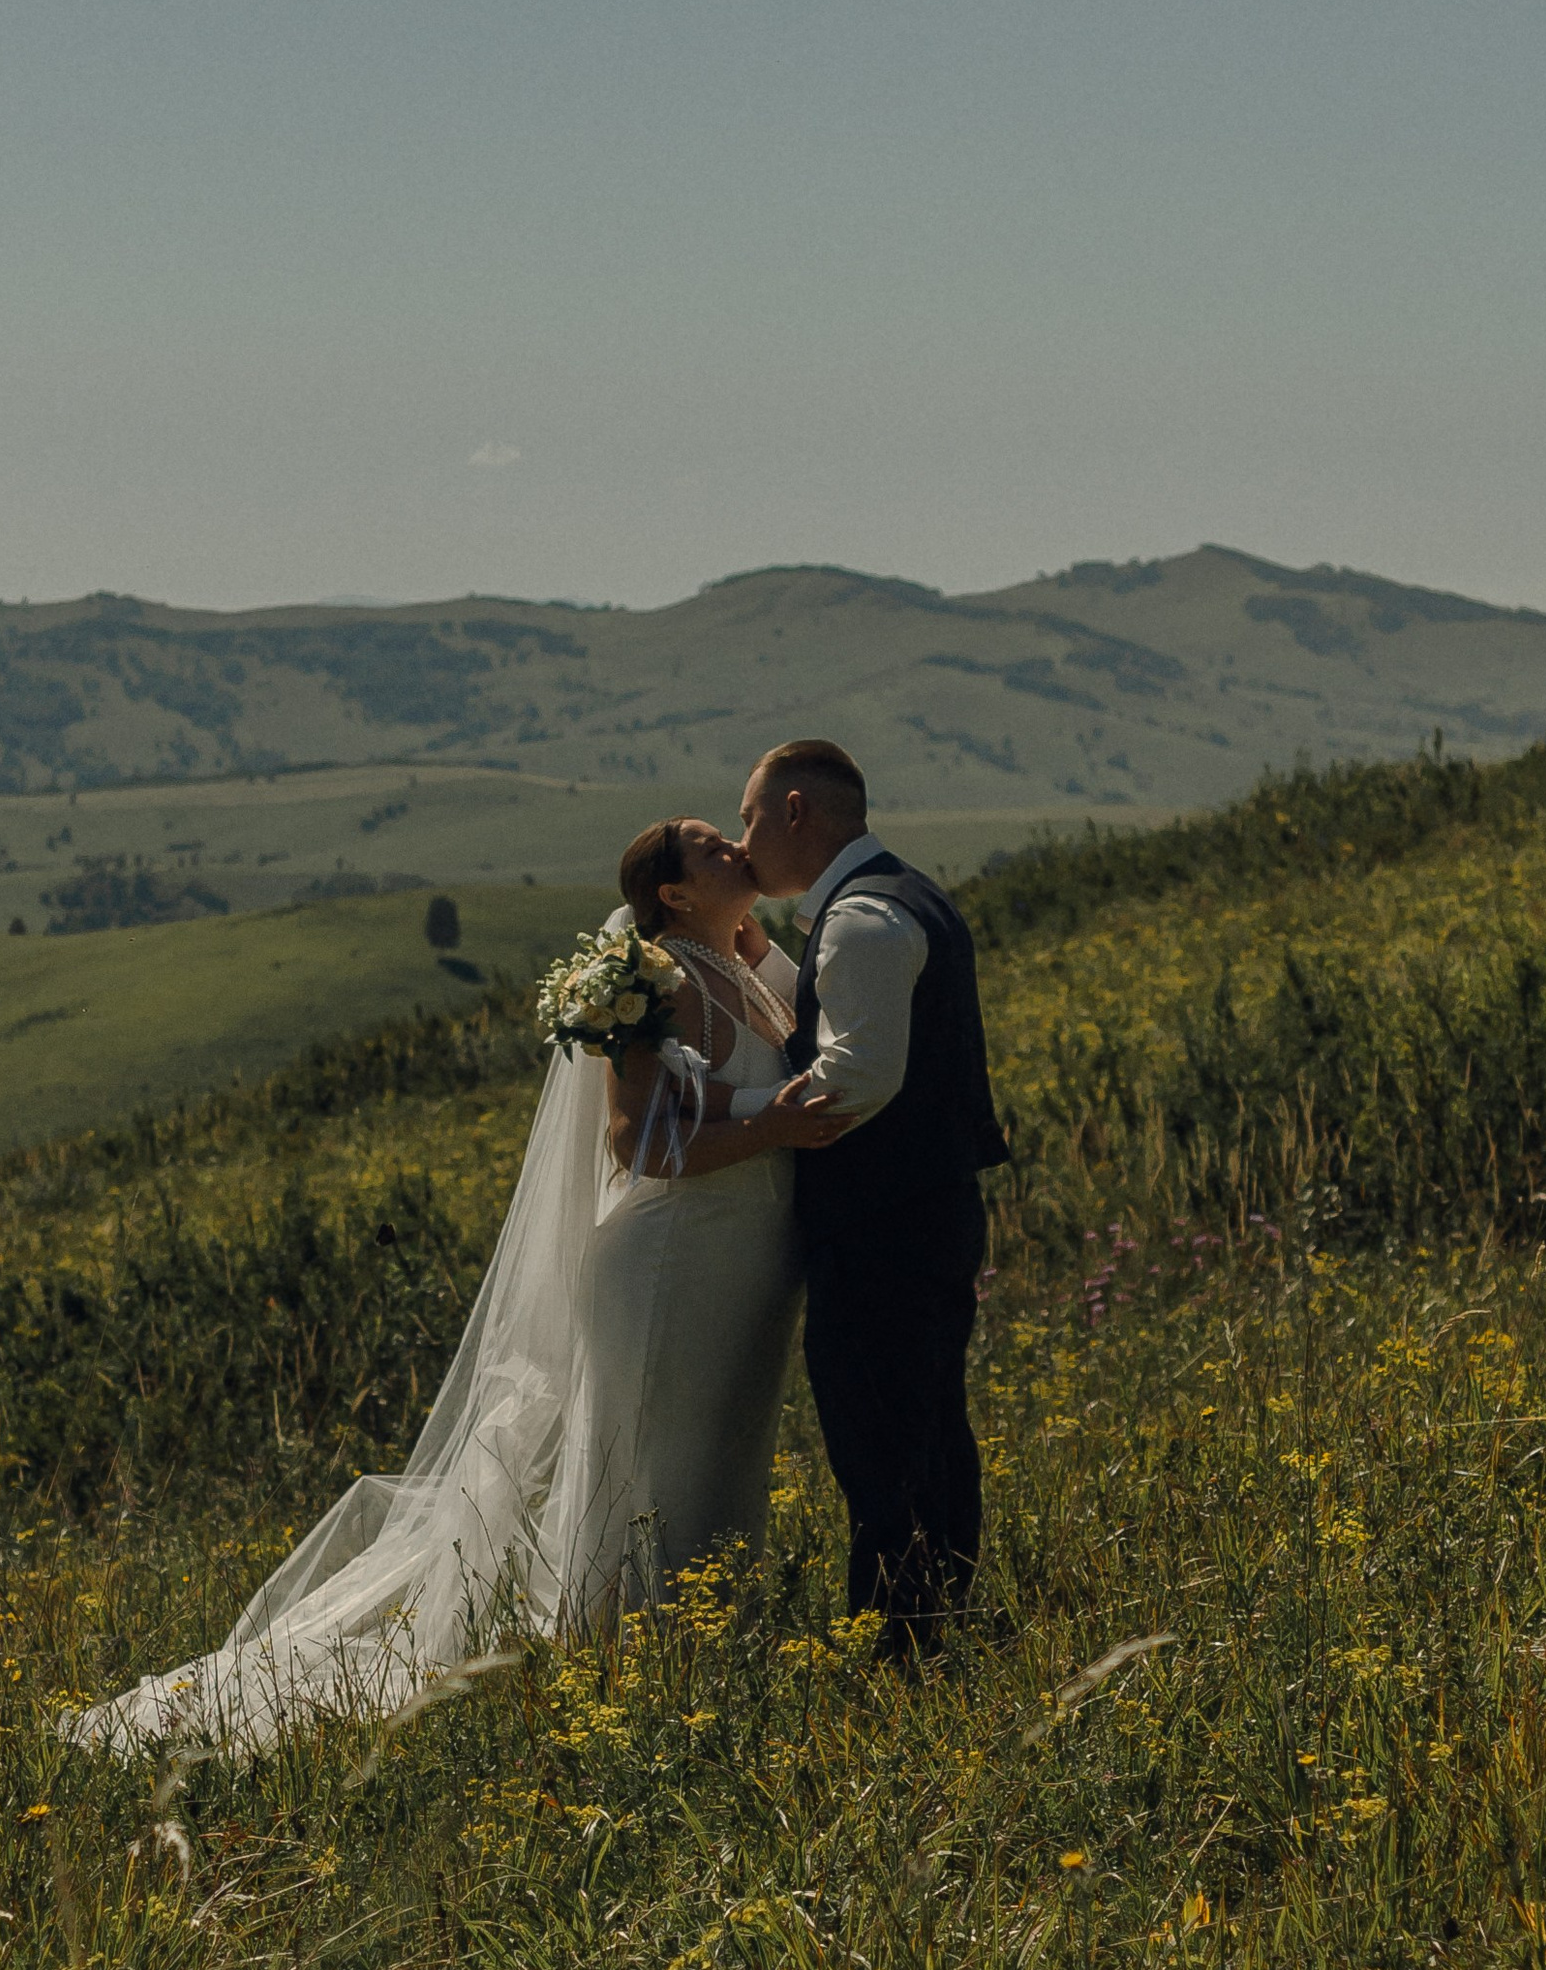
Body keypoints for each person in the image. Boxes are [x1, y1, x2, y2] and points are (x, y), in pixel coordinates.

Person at [63, 816, 850, 1755]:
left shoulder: (743, 968)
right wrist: (772, 1130)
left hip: (742, 1263)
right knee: (651, 1466)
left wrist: (759, 965)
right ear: (674, 894)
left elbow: (770, 1063)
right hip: (671, 1261)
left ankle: (702, 1647)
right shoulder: (652, 979)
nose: (734, 848)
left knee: (720, 1453)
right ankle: (617, 1664)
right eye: (711, 846)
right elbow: (635, 1138)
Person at [728, 738, 1009, 1656]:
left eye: (750, 818)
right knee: (923, 1422)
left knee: (879, 1436)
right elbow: (845, 1016)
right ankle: (939, 1620)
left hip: (883, 1224)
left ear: (796, 811)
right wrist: (771, 962)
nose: (743, 841)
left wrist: (724, 1117)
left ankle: (904, 1645)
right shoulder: (894, 897)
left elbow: (854, 1077)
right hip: (922, 1209)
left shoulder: (861, 919)